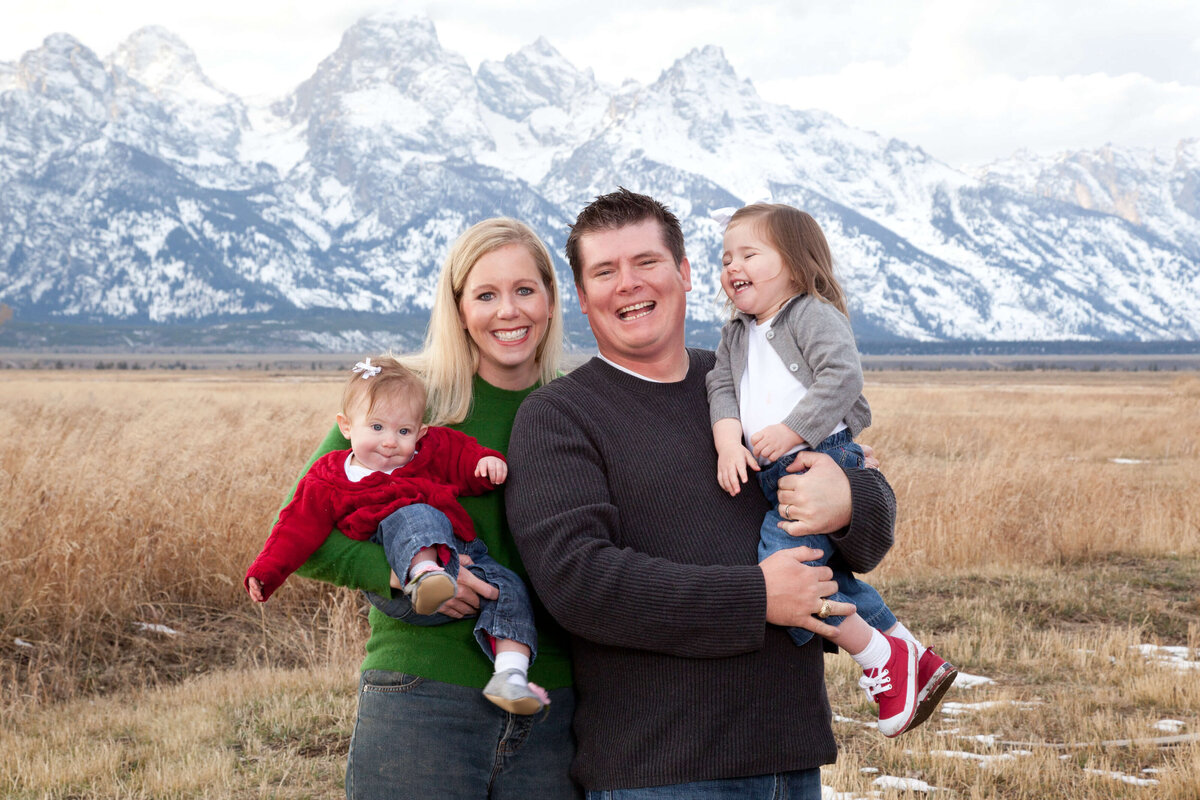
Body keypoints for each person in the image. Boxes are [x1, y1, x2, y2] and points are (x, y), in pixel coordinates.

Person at [505, 188, 896, 798]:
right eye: (605, 272)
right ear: (582, 299)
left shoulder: (752, 379)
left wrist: (850, 503)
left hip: (790, 753)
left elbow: (867, 531)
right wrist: (755, 596)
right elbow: (579, 584)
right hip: (662, 766)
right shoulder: (560, 416)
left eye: (647, 263)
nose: (629, 285)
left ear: (686, 274)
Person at [282, 218, 579, 799]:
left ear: (549, 299)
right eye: (486, 295)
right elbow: (304, 529)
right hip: (422, 692)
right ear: (459, 306)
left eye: (525, 290)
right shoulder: (404, 400)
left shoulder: (576, 406)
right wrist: (398, 574)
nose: (508, 311)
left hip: (554, 705)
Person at [707, 203, 957, 737]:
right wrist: (730, 442)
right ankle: (907, 651)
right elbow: (721, 388)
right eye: (726, 258)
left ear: (796, 265)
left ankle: (874, 654)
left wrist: (794, 429)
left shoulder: (810, 314)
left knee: (788, 571)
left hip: (816, 459)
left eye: (749, 254)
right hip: (773, 469)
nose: (732, 267)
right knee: (822, 575)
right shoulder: (735, 335)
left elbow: (842, 376)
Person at [245, 354, 549, 714]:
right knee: (414, 514)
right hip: (401, 583)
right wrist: (266, 572)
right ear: (345, 426)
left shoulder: (425, 453)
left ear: (419, 433)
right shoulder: (329, 477)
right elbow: (294, 528)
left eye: (403, 431)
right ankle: (424, 574)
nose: (390, 442)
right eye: (376, 428)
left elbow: (459, 457)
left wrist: (484, 464)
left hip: (460, 554)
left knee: (509, 588)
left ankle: (510, 675)